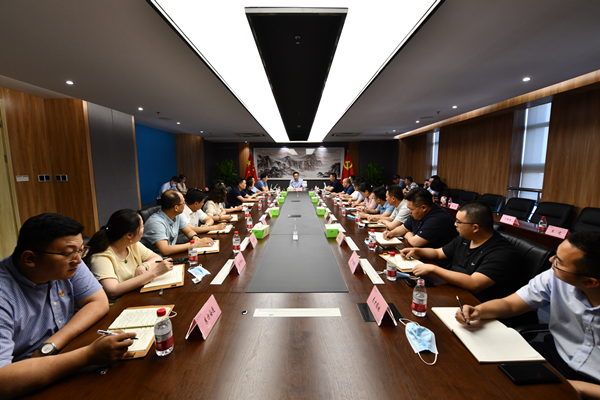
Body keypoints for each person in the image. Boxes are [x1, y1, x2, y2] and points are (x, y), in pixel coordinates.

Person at [0, 213, 136, 399]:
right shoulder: (4, 293)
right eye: (69, 252)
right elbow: (3, 381)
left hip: (62, 355)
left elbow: (98, 301)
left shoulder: (68, 262)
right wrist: (87, 356)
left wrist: (50, 346)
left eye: (80, 250)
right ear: (30, 259)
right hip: (25, 381)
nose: (79, 260)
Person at [455, 231, 600, 399]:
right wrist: (480, 311)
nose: (551, 260)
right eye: (556, 254)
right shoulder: (555, 276)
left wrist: (579, 388)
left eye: (559, 262)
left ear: (589, 282)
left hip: (592, 384)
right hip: (556, 354)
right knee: (480, 374)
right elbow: (511, 304)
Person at [401, 202, 519, 302]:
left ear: (475, 228)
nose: (455, 224)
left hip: (476, 302)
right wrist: (418, 251)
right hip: (453, 289)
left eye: (458, 222)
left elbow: (474, 283)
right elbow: (439, 253)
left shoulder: (502, 252)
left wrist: (433, 269)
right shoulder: (466, 237)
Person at [85, 209, 174, 300]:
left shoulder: (132, 245)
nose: (144, 229)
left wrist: (144, 266)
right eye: (142, 226)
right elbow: (113, 291)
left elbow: (157, 258)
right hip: (120, 304)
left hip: (137, 295)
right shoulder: (101, 257)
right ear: (129, 235)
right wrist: (154, 273)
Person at [141, 190, 213, 256]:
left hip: (170, 256)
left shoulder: (177, 216)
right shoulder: (156, 223)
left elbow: (188, 231)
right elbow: (165, 250)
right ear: (176, 208)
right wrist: (194, 244)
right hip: (155, 261)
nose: (185, 205)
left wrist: (195, 238)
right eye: (183, 203)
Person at [384, 188, 458, 248]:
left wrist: (409, 235)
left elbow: (415, 242)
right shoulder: (417, 213)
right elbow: (404, 228)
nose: (409, 212)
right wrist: (392, 233)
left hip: (438, 259)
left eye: (411, 209)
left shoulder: (438, 218)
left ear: (424, 208)